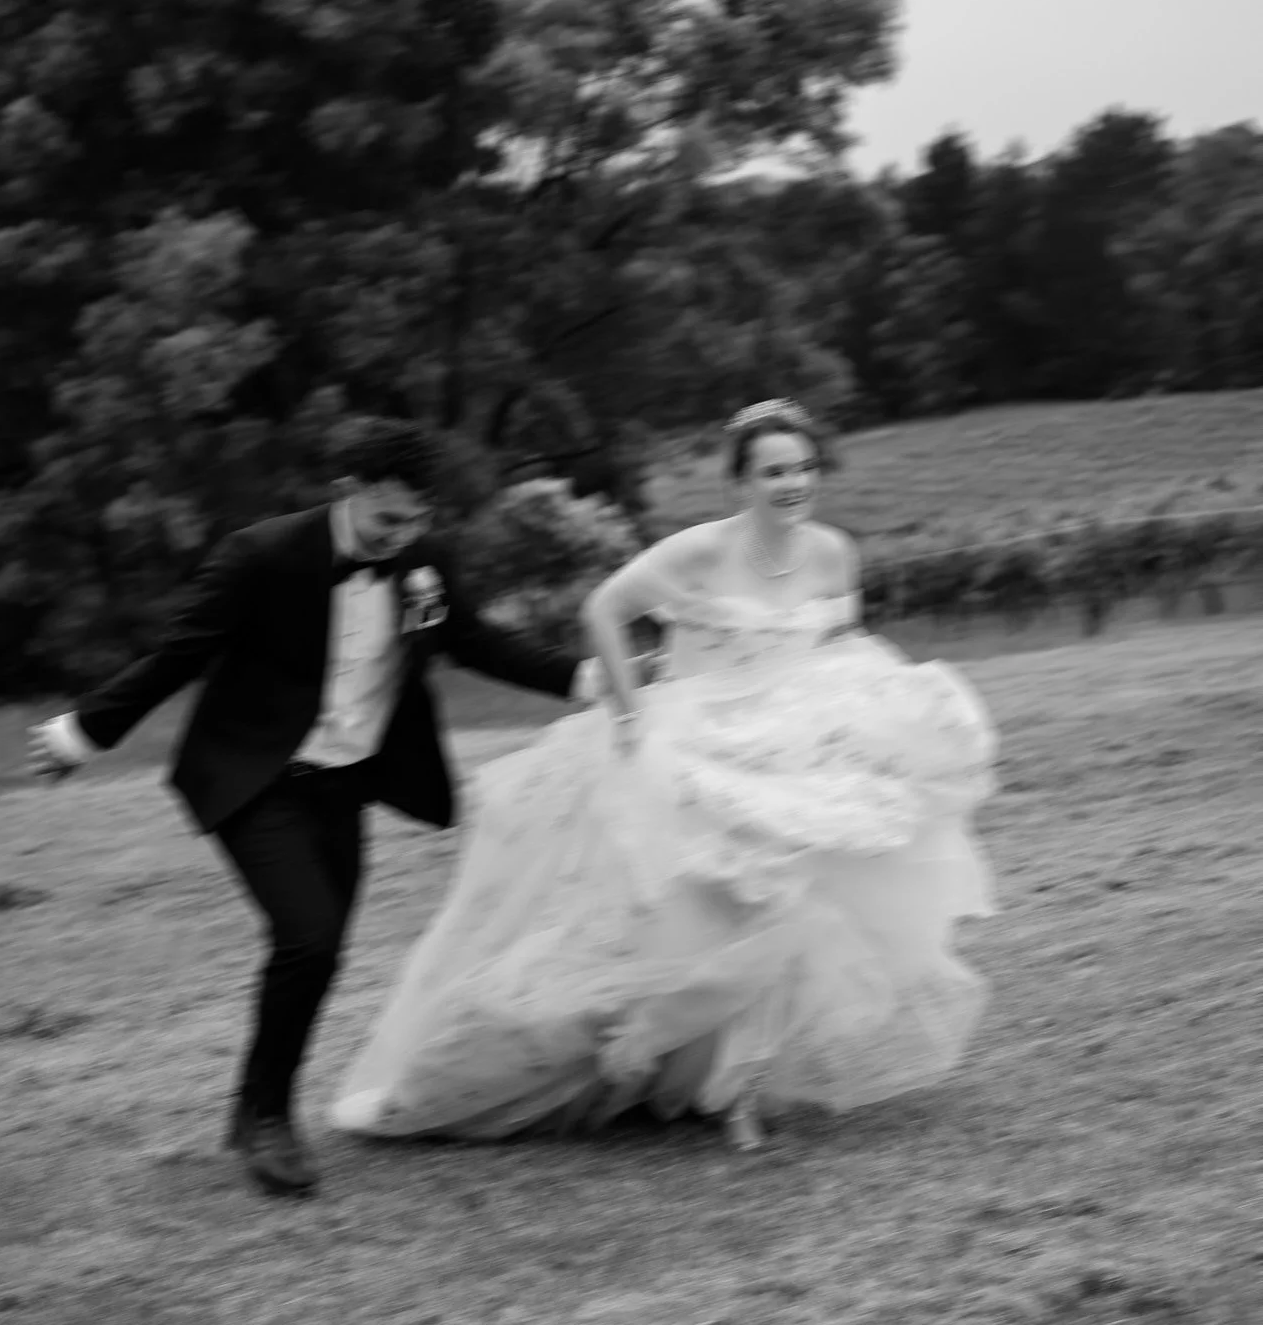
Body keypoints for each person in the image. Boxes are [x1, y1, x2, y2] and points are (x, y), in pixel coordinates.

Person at [330, 399, 998, 1150]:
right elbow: (605, 608)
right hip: (695, 746)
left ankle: (733, 1086)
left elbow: (840, 644)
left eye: (804, 468)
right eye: (774, 471)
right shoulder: (698, 553)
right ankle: (622, 1051)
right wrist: (625, 713)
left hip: (795, 748)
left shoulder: (833, 552)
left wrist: (875, 712)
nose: (793, 483)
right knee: (701, 922)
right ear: (739, 483)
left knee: (801, 908)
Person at [28, 419, 579, 1197]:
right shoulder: (260, 556)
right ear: (345, 492)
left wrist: (588, 680)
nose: (404, 535)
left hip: (344, 785)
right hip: (258, 778)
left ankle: (252, 1104)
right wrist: (81, 734)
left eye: (418, 519)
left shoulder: (422, 564)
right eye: (389, 518)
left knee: (318, 952)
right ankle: (269, 1124)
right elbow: (179, 653)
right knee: (308, 938)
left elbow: (480, 644)